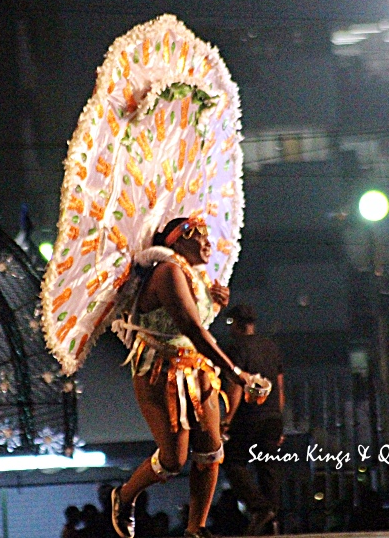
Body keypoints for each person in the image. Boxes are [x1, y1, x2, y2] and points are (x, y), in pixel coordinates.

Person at [110, 216, 266, 538]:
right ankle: (125, 497)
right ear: (177, 241)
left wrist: (216, 303)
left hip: (198, 369)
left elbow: (198, 324)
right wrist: (237, 374)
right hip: (158, 369)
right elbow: (193, 329)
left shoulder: (195, 276)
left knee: (211, 449)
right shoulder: (168, 272)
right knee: (172, 459)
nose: (209, 242)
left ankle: (196, 528)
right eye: (200, 236)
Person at [220, 303, 285, 535]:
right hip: (272, 416)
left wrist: (227, 418)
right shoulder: (270, 346)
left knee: (233, 462)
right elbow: (279, 384)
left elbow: (237, 385)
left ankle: (259, 508)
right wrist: (279, 417)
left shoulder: (235, 348)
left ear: (236, 323)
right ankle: (272, 520)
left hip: (248, 416)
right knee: (268, 467)